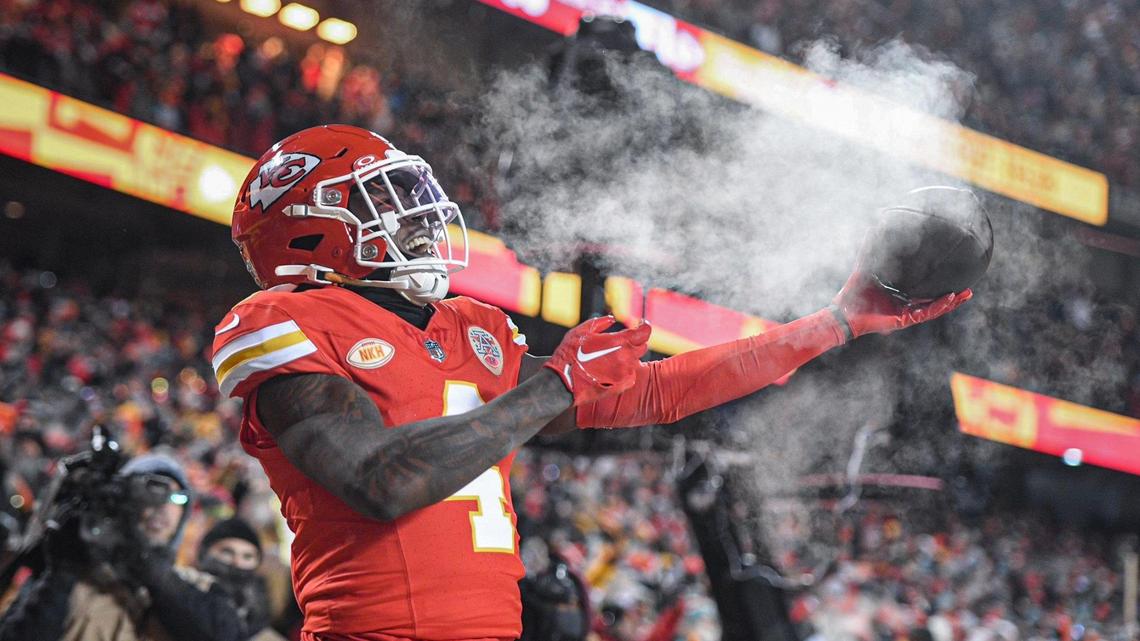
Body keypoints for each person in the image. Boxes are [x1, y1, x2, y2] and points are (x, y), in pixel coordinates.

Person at [212, 124, 970, 641]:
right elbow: (379, 481)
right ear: (307, 227)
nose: (416, 212)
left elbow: (659, 392)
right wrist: (554, 384)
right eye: (381, 198)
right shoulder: (281, 318)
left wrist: (834, 323)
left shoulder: (468, 326)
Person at [0, 453, 248, 641]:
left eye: (177, 497)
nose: (163, 506)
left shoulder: (201, 587)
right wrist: (61, 575)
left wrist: (152, 570)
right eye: (151, 491)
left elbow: (227, 635)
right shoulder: (75, 577)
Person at [194, 518, 285, 641]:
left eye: (247, 556)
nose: (237, 562)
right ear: (205, 553)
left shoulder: (263, 604)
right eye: (227, 552)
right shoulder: (186, 590)